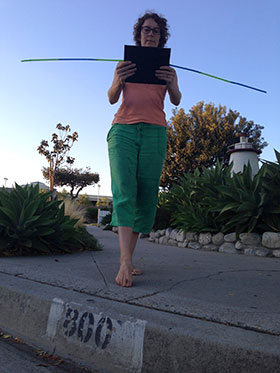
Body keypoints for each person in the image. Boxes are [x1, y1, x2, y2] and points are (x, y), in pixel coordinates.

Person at [107, 11, 181, 287]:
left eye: (155, 31)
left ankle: (128, 258)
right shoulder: (124, 64)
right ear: (138, 35)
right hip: (123, 130)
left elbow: (175, 100)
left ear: (161, 38)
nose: (150, 34)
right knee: (124, 191)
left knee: (146, 196)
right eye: (146, 30)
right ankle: (125, 262)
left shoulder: (167, 69)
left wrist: (172, 83)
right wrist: (119, 80)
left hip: (155, 132)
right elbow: (112, 97)